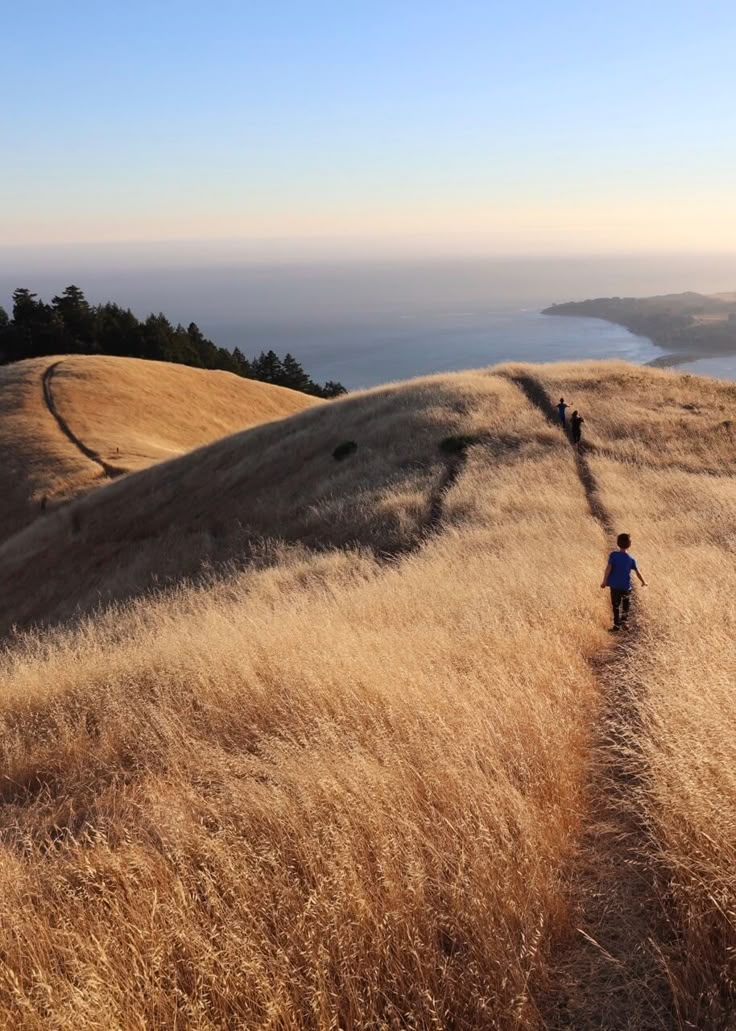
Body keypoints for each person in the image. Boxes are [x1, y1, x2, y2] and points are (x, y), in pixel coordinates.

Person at [600, 532, 647, 632]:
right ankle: (624, 621)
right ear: (629, 545)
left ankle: (616, 626)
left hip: (615, 586)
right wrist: (643, 581)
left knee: (616, 605)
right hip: (626, 587)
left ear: (617, 543)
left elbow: (608, 569)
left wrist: (604, 581)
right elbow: (638, 572)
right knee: (626, 605)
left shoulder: (613, 555)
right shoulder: (631, 559)